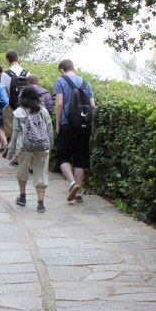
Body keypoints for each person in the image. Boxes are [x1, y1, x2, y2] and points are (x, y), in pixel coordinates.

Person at [53, 59, 96, 204]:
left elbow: (59, 103)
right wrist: (86, 121)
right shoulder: (86, 83)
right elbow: (92, 106)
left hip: (67, 124)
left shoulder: (60, 81)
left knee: (62, 157)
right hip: (84, 125)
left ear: (62, 70)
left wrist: (58, 124)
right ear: (73, 68)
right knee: (80, 158)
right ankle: (78, 193)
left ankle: (72, 183)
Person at [6, 86, 54, 212]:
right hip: (42, 145)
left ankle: (22, 197)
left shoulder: (19, 112)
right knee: (41, 172)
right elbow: (49, 128)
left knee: (22, 170)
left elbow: (15, 133)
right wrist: (49, 144)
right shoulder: (43, 110)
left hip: (24, 146)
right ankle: (40, 203)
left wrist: (11, 153)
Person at [0, 50, 29, 142]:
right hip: (25, 105)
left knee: (10, 130)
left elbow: (3, 91)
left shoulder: (5, 74)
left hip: (11, 104)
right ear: (18, 58)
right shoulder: (27, 73)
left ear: (7, 60)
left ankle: (11, 146)